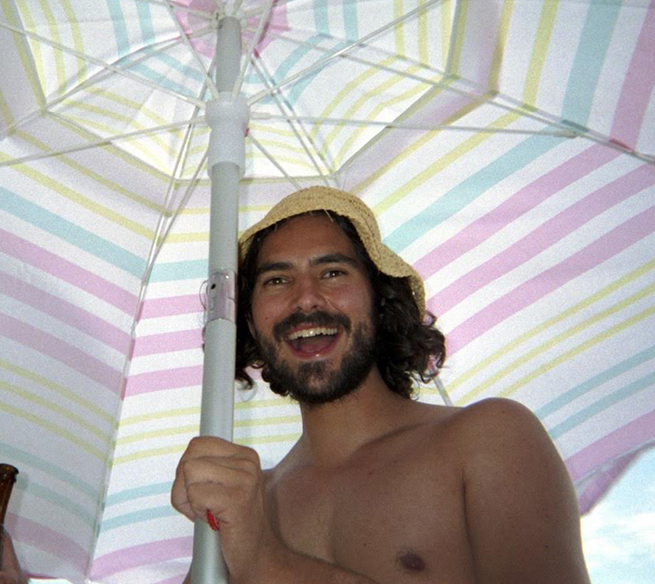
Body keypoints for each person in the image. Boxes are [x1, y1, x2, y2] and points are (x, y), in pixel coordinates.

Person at [171, 186, 590, 583]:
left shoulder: (488, 439)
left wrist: (266, 563)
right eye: (276, 281)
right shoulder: (244, 503)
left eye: (332, 272)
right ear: (250, 323)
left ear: (380, 299)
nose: (305, 299)